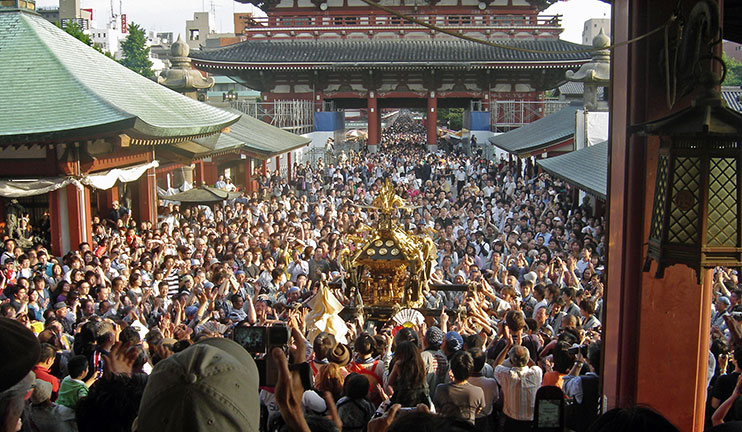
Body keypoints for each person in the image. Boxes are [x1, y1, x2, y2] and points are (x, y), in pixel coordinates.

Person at [494, 345, 542, 432]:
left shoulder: (506, 375)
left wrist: (507, 346)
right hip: (531, 422)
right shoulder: (536, 373)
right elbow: (533, 365)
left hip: (511, 422)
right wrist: (523, 354)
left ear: (511, 362)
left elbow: (496, 365)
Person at [433, 350, 484, 424]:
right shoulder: (478, 391)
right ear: (471, 370)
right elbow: (478, 410)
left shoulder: (441, 389)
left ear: (452, 369)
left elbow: (437, 409)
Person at [387, 341, 429, 408]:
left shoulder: (399, 364)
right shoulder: (420, 363)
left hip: (402, 396)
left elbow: (389, 382)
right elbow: (423, 378)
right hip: (420, 396)